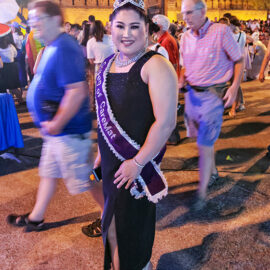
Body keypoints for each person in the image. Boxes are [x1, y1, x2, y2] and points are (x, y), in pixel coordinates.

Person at [7, 0, 104, 237]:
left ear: (54, 20)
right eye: (31, 20)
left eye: (37, 19)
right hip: (57, 133)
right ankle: (36, 217)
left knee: (89, 179)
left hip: (69, 133)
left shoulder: (64, 46)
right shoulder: (51, 45)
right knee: (48, 174)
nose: (33, 24)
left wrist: (57, 123)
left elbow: (76, 91)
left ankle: (111, 214)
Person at [95, 0, 177, 268]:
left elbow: (166, 123)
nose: (126, 33)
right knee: (113, 225)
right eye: (120, 26)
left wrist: (138, 163)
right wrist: (100, 152)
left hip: (137, 167)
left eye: (134, 26)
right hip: (112, 166)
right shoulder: (107, 64)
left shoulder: (156, 65)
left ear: (147, 30)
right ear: (110, 28)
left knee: (132, 228)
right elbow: (108, 114)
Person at [179, 0, 244, 209]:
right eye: (183, 13)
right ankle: (213, 174)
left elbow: (239, 59)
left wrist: (234, 88)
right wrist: (181, 79)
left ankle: (202, 192)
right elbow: (183, 66)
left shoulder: (221, 31)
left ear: (202, 11)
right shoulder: (185, 36)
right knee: (201, 140)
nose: (185, 17)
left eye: (189, 12)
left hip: (212, 96)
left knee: (204, 145)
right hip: (191, 95)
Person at [152, 14, 181, 145]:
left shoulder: (166, 41)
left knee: (166, 110)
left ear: (160, 27)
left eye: (154, 24)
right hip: (168, 80)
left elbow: (172, 63)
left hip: (168, 80)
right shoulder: (164, 39)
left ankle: (173, 138)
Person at [86, 20, 114, 111]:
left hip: (99, 67)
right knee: (112, 90)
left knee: (100, 91)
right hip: (112, 66)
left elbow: (91, 60)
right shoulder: (111, 38)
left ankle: (102, 112)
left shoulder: (90, 42)